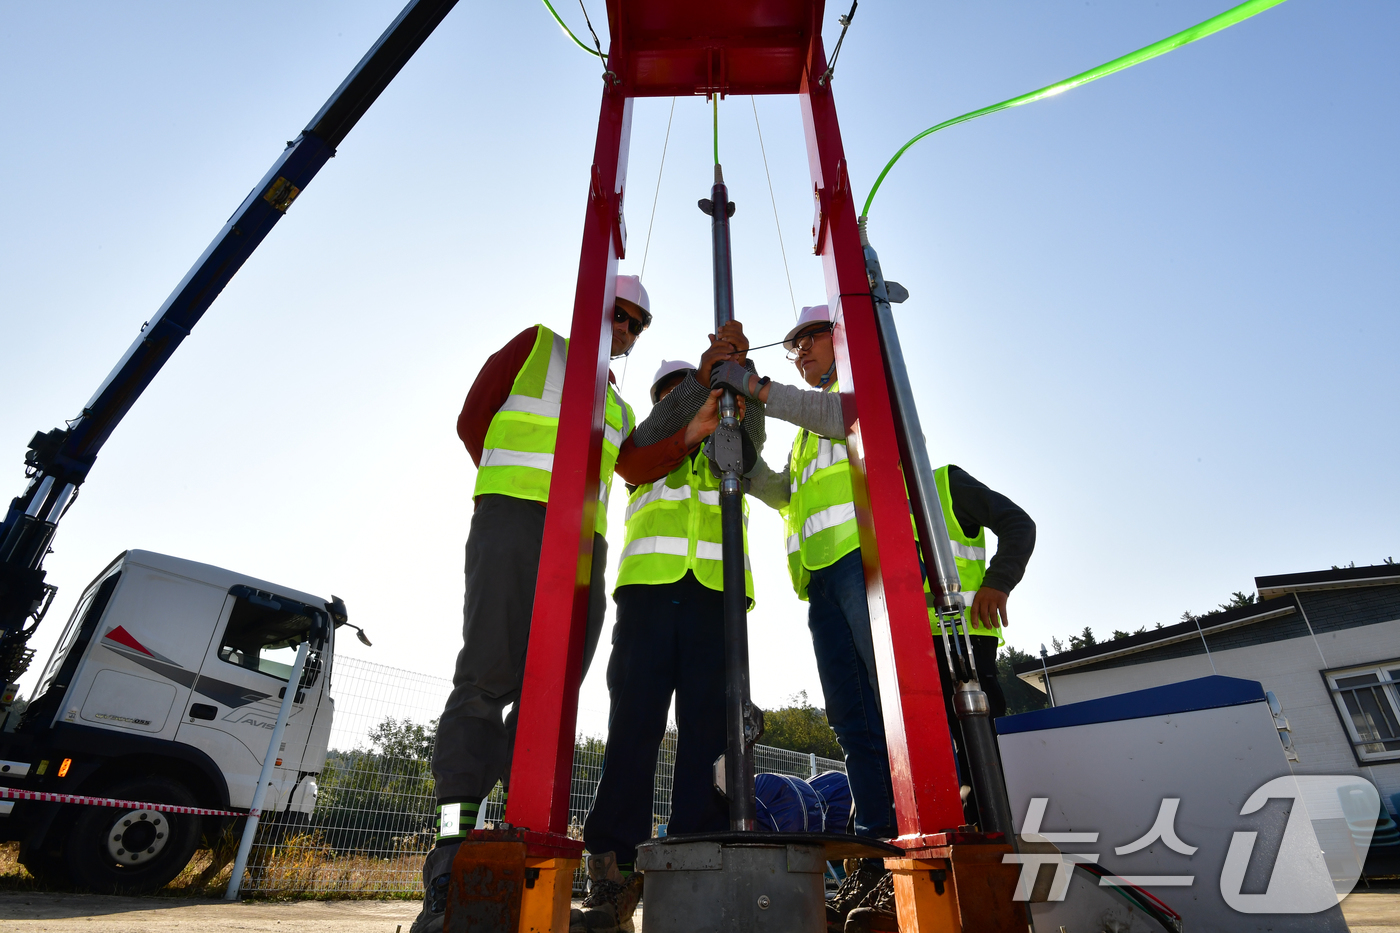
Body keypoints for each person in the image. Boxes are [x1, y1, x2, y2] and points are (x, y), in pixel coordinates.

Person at [411, 279, 762, 933]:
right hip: (517, 520)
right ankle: (452, 856)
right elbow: (473, 421)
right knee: (486, 677)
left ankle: (516, 846)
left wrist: (700, 422)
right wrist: (509, 496)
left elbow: (635, 465)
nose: (624, 327)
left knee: (551, 698)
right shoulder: (537, 347)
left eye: (636, 323)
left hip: (583, 548)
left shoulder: (621, 410)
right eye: (617, 314)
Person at [733, 304, 1036, 932]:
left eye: (809, 339)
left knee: (900, 710)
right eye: (792, 346)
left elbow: (840, 416)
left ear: (841, 337)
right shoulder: (805, 433)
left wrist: (757, 388)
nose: (800, 351)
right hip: (822, 582)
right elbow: (785, 494)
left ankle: (938, 849)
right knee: (854, 720)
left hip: (865, 563)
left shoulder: (861, 392)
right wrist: (742, 459)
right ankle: (875, 859)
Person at [571, 360, 757, 933]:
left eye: (697, 390)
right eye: (676, 392)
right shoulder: (646, 446)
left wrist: (740, 375)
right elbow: (646, 442)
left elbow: (753, 443)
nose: (690, 398)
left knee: (709, 736)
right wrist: (700, 382)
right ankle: (613, 871)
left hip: (716, 598)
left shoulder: (730, 446)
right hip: (650, 594)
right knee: (633, 726)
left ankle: (693, 869)